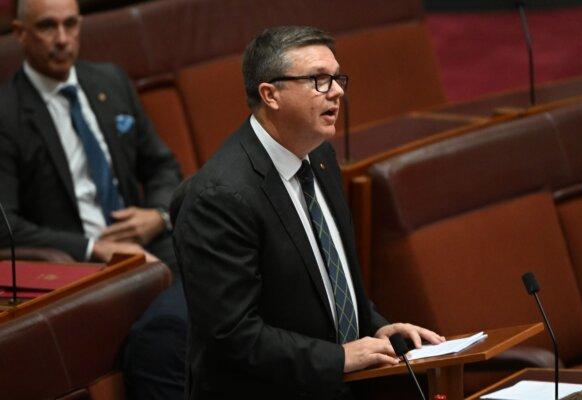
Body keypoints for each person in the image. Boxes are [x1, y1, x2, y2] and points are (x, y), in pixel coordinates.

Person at [173, 25, 445, 400]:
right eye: (319, 80)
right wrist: (337, 357)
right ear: (271, 94)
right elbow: (232, 336)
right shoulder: (220, 197)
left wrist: (375, 330)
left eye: (337, 78)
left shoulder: (318, 156)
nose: (337, 91)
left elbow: (331, 283)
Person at [0, 1, 186, 399]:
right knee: (171, 332)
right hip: (80, 268)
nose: (63, 39)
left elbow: (163, 165)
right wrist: (95, 247)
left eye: (71, 25)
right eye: (48, 27)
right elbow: (5, 224)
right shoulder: (7, 114)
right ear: (20, 33)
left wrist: (156, 215)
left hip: (150, 243)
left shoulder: (109, 81)